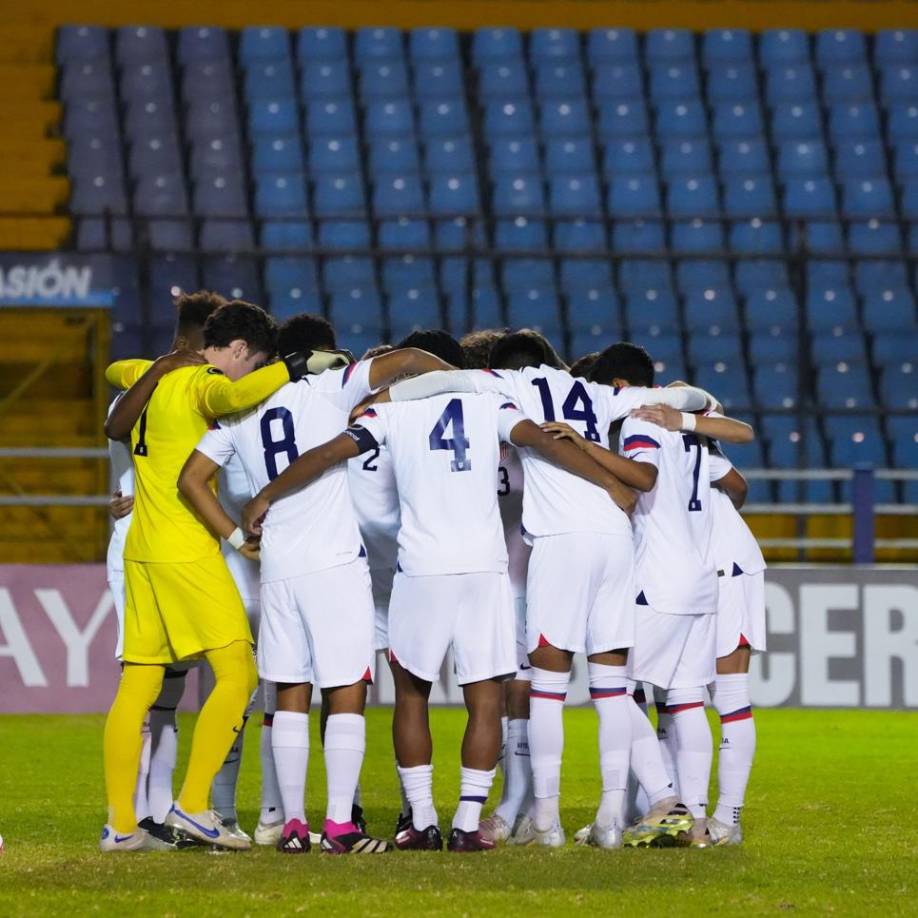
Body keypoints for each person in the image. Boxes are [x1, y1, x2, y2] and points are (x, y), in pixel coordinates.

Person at [239, 387, 635, 852]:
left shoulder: (392, 412)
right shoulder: (493, 404)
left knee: (412, 694)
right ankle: (467, 823)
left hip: (422, 567)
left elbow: (328, 452)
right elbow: (546, 442)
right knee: (486, 697)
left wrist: (265, 494)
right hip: (483, 569)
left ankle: (422, 821)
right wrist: (609, 483)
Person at [379, 334, 714, 847]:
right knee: (611, 690)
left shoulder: (509, 386)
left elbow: (444, 382)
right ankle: (608, 819)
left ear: (504, 369)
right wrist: (689, 409)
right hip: (616, 539)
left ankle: (546, 821)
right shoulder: (599, 392)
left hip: (561, 542)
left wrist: (378, 401)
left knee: (548, 692)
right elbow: (687, 398)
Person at [178, 335, 456, 854]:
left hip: (278, 567)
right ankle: (338, 826)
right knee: (346, 689)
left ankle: (292, 826)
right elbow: (413, 361)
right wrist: (464, 387)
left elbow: (190, 479)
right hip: (333, 563)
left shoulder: (239, 413)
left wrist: (239, 541)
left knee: (289, 693)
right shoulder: (331, 389)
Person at [99, 301, 314, 853]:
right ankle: (194, 806)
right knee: (239, 671)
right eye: (254, 361)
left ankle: (121, 826)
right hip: (184, 551)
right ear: (241, 351)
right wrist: (293, 367)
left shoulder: (151, 374)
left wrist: (158, 365)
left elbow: (113, 370)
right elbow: (235, 395)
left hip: (140, 551)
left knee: (138, 686)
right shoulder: (203, 383)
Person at [580, 346, 747, 847]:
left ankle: (664, 798)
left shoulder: (638, 422)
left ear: (617, 387)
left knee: (611, 688)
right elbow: (739, 468)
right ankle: (695, 822)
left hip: (658, 576)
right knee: (687, 699)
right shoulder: (690, 429)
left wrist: (583, 447)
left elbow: (642, 478)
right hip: (700, 578)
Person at [632, 402, 764, 846]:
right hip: (713, 566)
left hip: (719, 565)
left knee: (722, 695)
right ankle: (695, 817)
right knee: (682, 693)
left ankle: (723, 818)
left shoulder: (666, 443)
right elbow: (739, 487)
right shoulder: (699, 451)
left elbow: (737, 463)